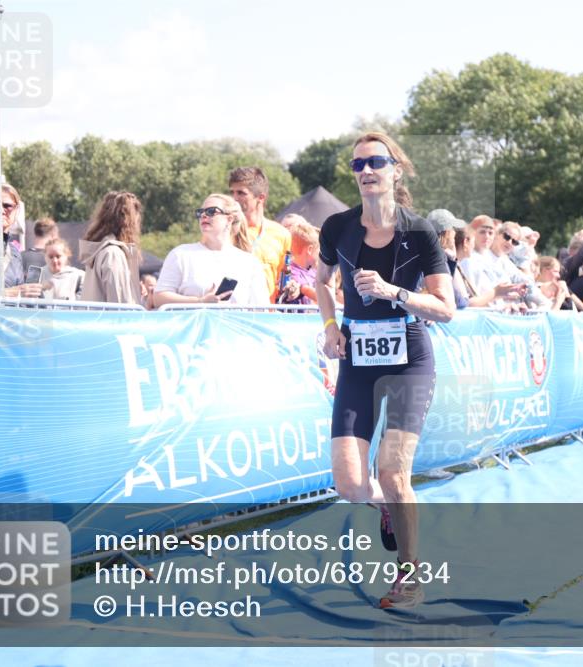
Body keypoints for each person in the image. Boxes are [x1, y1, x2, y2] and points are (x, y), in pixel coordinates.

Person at [315, 132, 454, 610]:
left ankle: (411, 577)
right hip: (357, 358)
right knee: (351, 484)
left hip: (409, 359)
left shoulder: (420, 233)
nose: (366, 171)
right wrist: (331, 325)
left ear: (396, 169)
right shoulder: (336, 227)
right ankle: (388, 509)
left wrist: (394, 292)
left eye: (376, 161)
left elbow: (446, 308)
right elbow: (321, 281)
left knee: (393, 471)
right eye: (357, 165)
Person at [154, 194, 269, 307]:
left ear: (229, 219)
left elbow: (261, 309)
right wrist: (199, 302)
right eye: (200, 212)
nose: (204, 215)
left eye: (211, 211)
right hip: (193, 325)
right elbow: (159, 298)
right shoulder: (180, 254)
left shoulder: (249, 262)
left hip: (233, 325)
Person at [229, 167, 292, 302]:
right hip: (232, 313)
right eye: (232, 193)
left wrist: (293, 287)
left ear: (261, 198)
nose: (234, 198)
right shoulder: (225, 231)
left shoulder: (282, 234)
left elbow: (284, 276)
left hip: (265, 315)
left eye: (241, 193)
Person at [78, 191, 144, 305]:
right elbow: (119, 306)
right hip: (110, 322)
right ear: (128, 221)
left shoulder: (100, 251)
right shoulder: (113, 254)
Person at [0, 184, 41, 297]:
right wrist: (11, 293)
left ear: (17, 210)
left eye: (7, 206)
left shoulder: (14, 252)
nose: (1, 211)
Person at [281, 220, 320, 305]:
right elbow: (314, 294)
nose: (320, 254)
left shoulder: (313, 272)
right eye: (318, 250)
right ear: (310, 250)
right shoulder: (291, 272)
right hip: (297, 317)